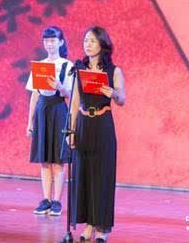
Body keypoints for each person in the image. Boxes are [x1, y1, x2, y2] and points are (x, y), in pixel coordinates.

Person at [69, 26, 125, 242]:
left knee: (102, 176)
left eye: (92, 41)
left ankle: (102, 226)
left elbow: (122, 99)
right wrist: (71, 131)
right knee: (84, 175)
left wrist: (113, 93)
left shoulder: (114, 71)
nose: (88, 44)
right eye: (86, 40)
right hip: (84, 124)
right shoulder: (80, 70)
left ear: (102, 44)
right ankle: (89, 224)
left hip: (103, 124)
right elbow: (74, 103)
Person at [25, 26, 73, 216]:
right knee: (44, 159)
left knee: (58, 161)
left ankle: (56, 201)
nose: (49, 44)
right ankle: (45, 199)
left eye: (53, 40)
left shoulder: (67, 66)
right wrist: (29, 122)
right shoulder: (39, 65)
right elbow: (35, 95)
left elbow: (70, 94)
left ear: (60, 42)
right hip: (42, 111)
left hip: (59, 110)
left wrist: (60, 86)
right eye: (46, 40)